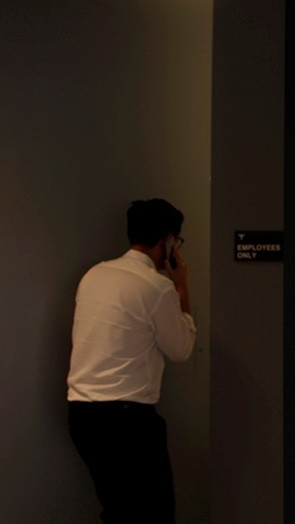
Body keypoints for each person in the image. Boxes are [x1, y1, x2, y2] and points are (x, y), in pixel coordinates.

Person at [67, 198, 196, 524]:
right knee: (154, 513)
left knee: (118, 510)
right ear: (167, 241)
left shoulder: (93, 275)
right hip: (128, 421)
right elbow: (181, 349)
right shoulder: (157, 287)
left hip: (82, 415)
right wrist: (182, 288)